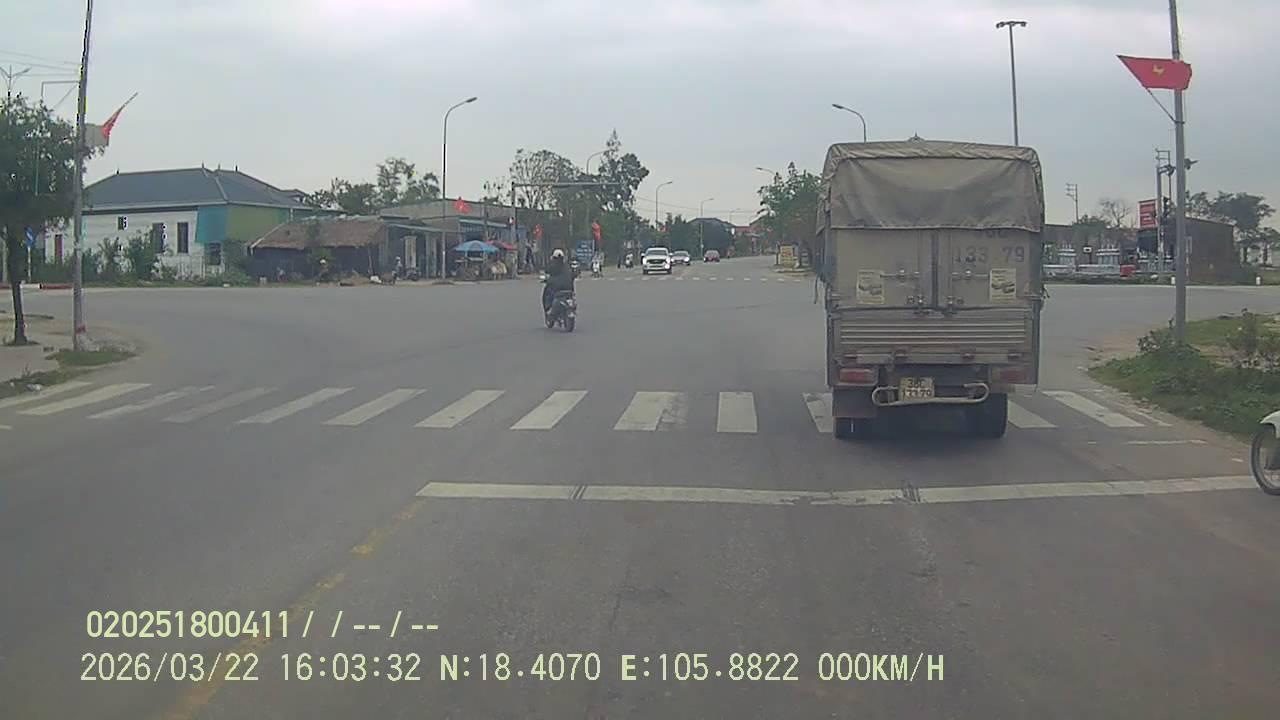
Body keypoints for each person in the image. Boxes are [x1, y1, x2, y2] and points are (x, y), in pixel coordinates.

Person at [542, 248, 574, 313]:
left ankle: (548, 309)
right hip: (569, 290)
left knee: (547, 293)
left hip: (558, 290)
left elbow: (547, 270)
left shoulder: (553, 266)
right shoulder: (567, 267)